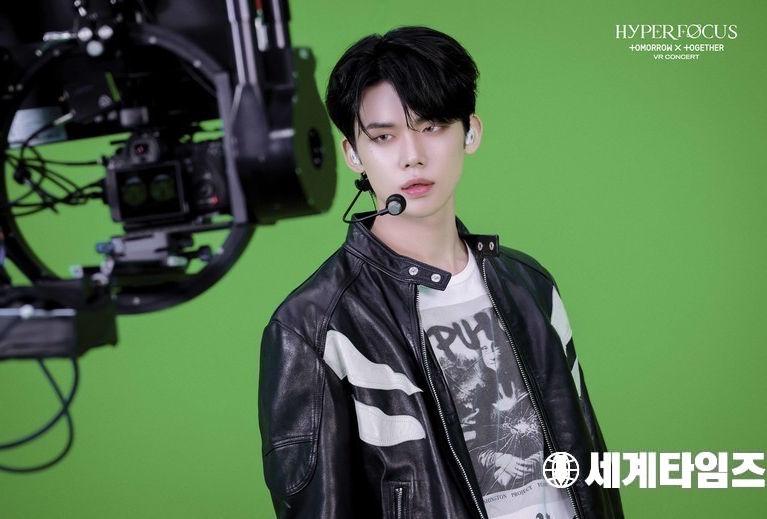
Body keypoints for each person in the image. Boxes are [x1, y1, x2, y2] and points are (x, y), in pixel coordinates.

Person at [258, 26, 624, 518]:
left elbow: (590, 457)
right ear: (352, 154)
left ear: (470, 132)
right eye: (383, 136)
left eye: (431, 127)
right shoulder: (314, 326)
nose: (412, 155)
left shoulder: (530, 286)